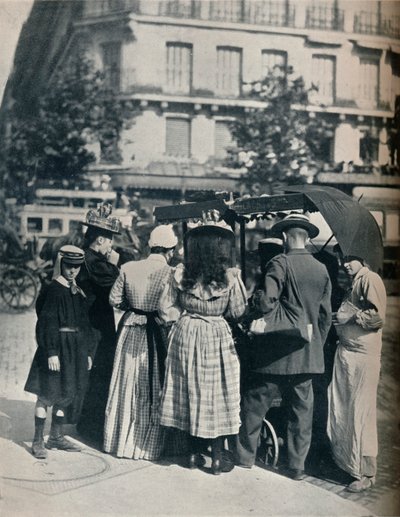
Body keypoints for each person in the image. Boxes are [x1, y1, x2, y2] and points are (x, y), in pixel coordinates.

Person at [235, 213, 332, 480]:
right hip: (307, 355)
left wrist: (255, 300)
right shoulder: (321, 269)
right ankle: (297, 467)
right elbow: (325, 316)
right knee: (301, 413)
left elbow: (267, 302)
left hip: (274, 355)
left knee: (255, 403)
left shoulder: (279, 262)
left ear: (286, 237)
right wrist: (314, 345)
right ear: (306, 237)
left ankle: (245, 457)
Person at [159, 223, 247, 475]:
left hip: (186, 332)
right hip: (216, 334)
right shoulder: (230, 276)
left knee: (188, 390)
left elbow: (165, 309)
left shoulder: (181, 272)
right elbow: (239, 311)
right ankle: (217, 458)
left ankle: (192, 454)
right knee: (216, 393)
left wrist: (185, 316)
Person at [104, 225, 178, 460]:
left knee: (125, 381)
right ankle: (145, 446)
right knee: (151, 383)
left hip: (129, 328)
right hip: (154, 331)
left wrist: (132, 306)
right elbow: (170, 309)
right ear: (170, 250)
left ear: (150, 245)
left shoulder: (128, 267)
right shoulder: (171, 273)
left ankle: (117, 441)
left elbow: (114, 299)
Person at [24, 245, 95, 459]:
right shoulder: (54, 289)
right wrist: (51, 351)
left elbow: (84, 323)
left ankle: (56, 436)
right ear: (61, 264)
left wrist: (88, 352)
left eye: (77, 267)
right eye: (69, 266)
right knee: (47, 393)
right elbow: (46, 322)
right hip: (56, 349)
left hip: (75, 350)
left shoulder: (78, 291)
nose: (73, 271)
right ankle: (38, 440)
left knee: (67, 393)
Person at [327, 254, 387, 493]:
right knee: (345, 410)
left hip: (363, 356)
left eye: (350, 259)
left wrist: (351, 316)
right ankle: (348, 465)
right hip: (348, 354)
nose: (345, 264)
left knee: (361, 412)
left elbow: (377, 317)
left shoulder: (370, 279)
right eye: (342, 259)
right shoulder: (353, 283)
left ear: (363, 260)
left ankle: (365, 473)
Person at [76, 204, 121, 444]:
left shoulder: (82, 255)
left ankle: (82, 422)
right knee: (100, 376)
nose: (111, 245)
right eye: (110, 240)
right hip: (96, 328)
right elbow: (118, 286)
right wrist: (115, 263)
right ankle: (91, 428)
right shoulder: (97, 263)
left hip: (85, 324)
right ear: (101, 239)